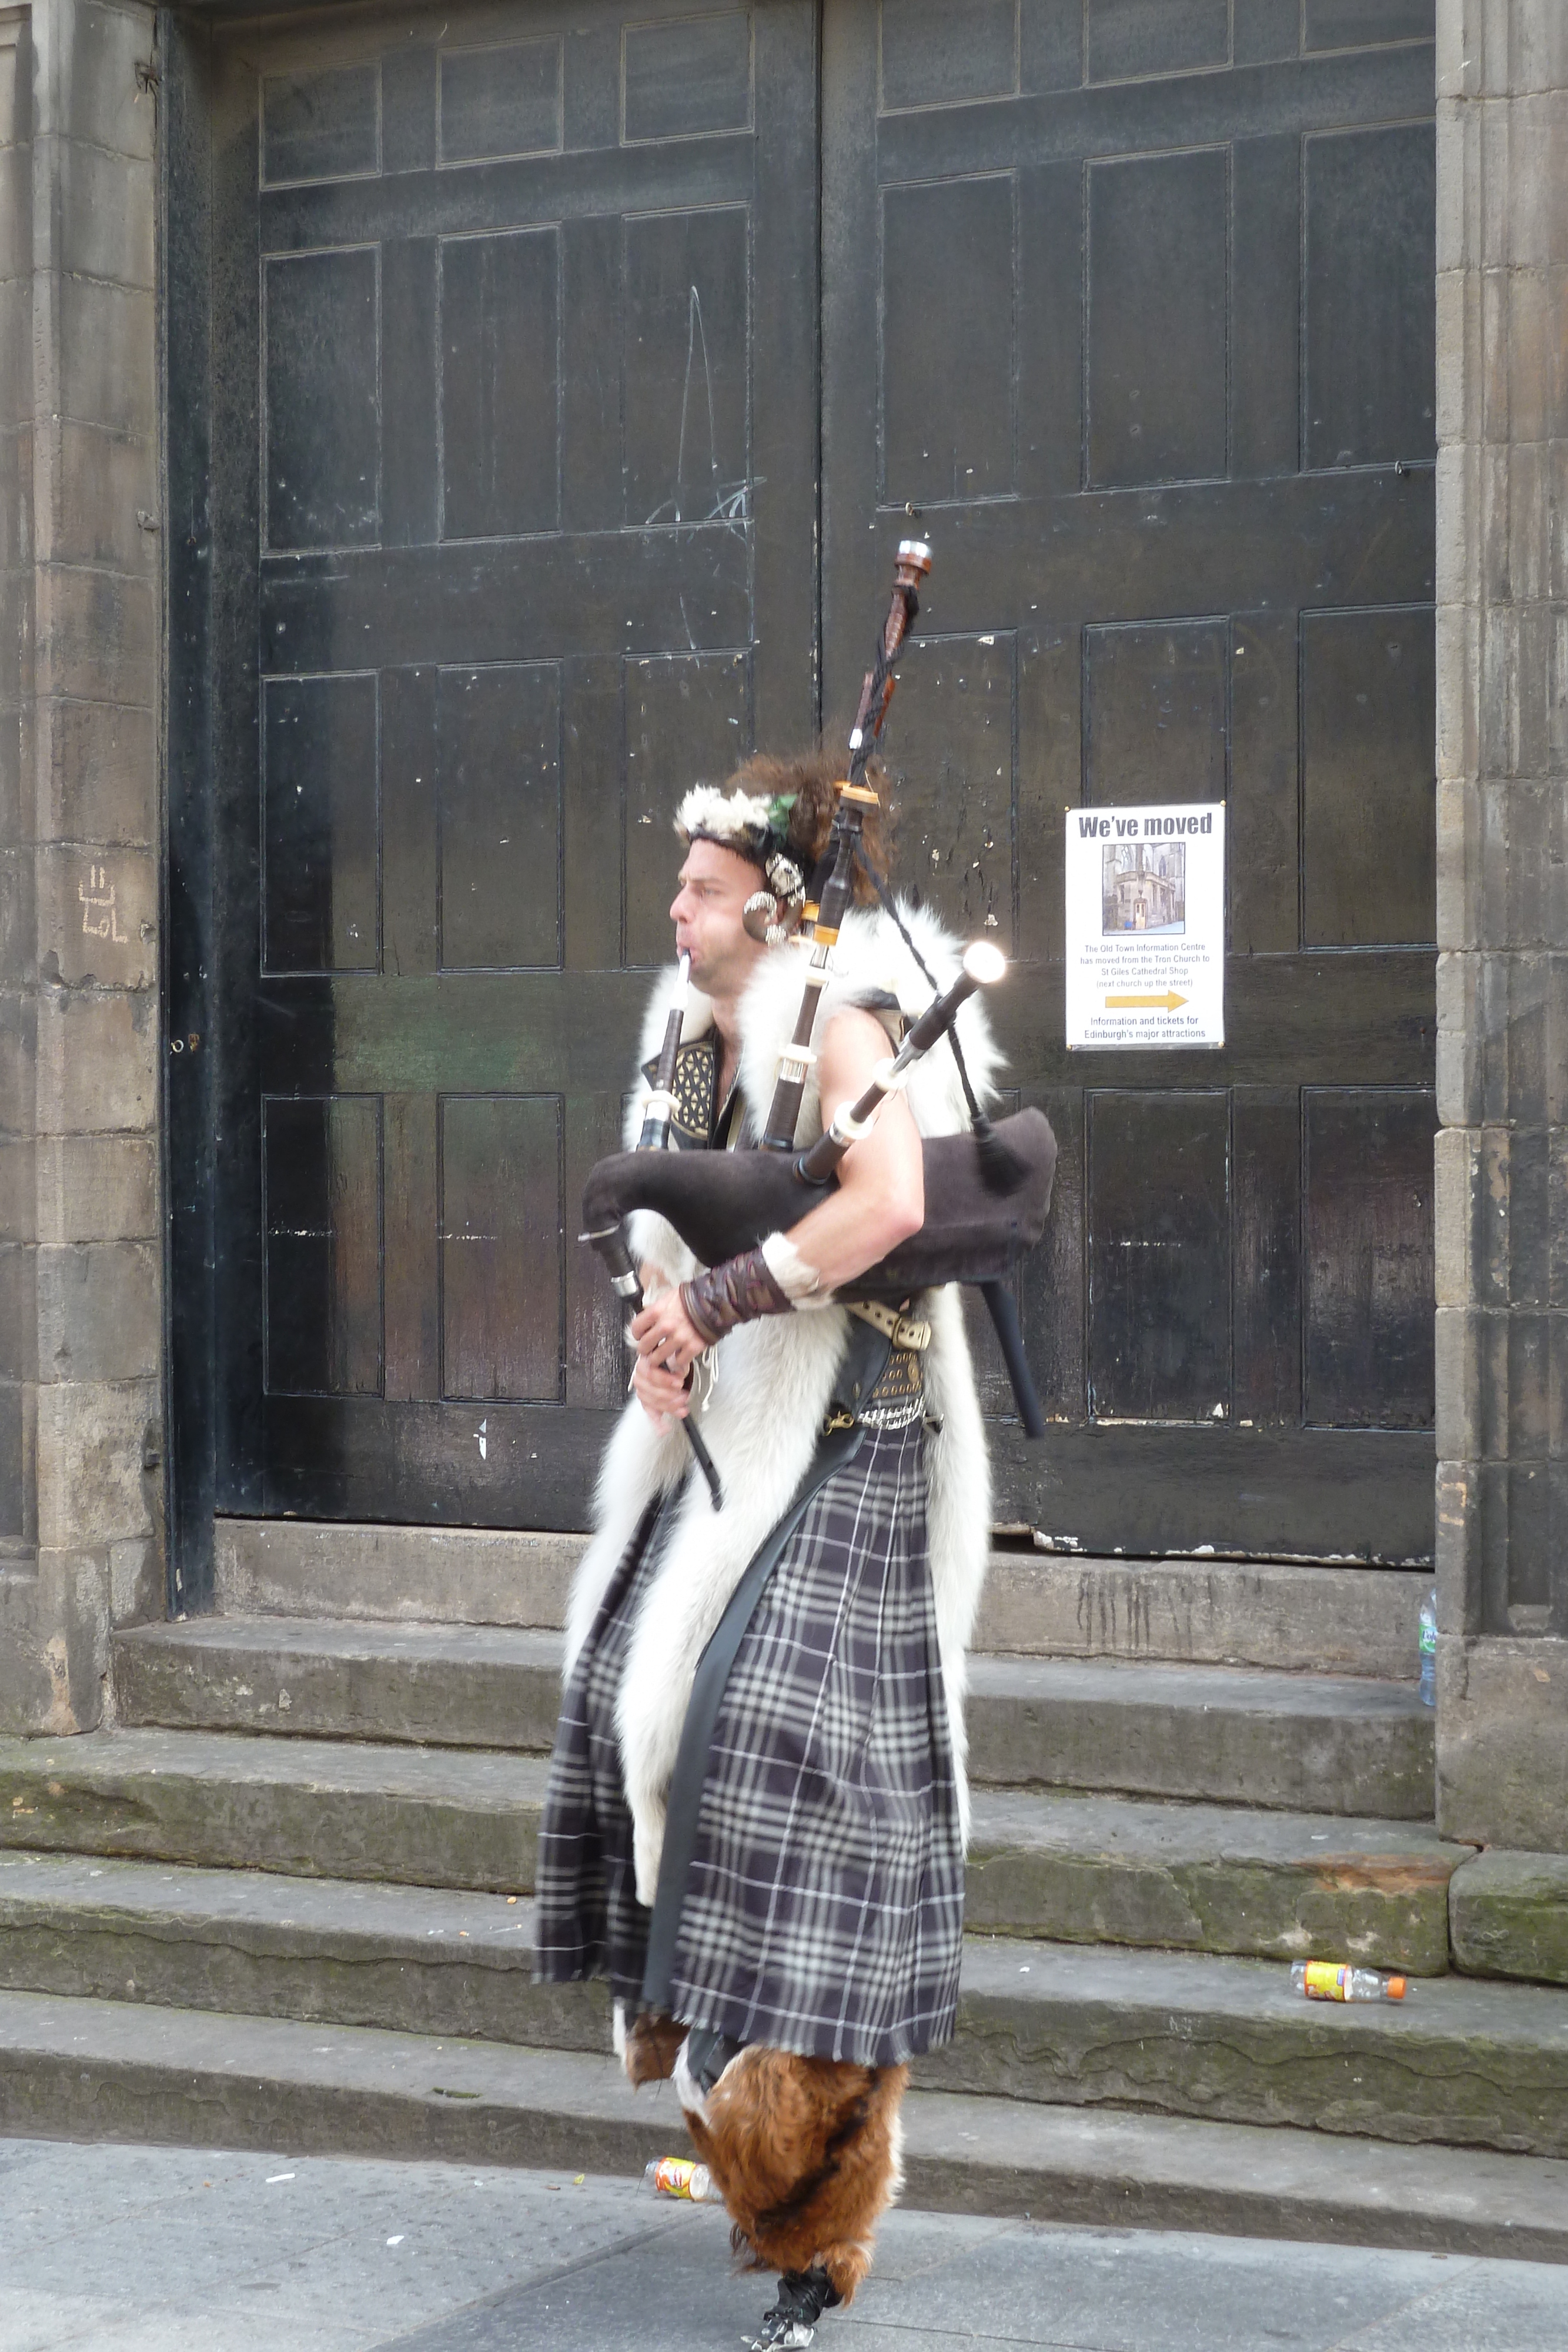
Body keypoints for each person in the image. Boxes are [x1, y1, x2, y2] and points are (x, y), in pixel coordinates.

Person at [534, 753, 995, 2350]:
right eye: (678, 890)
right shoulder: (679, 1049)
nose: (675, 909)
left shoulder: (848, 1020)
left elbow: (881, 1203)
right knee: (630, 1724)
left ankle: (816, 2209)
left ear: (773, 906)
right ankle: (731, 2096)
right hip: (723, 1451)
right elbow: (660, 1259)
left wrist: (725, 1304)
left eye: (701, 890)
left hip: (856, 1440)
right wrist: (657, 1351)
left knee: (787, 1761)